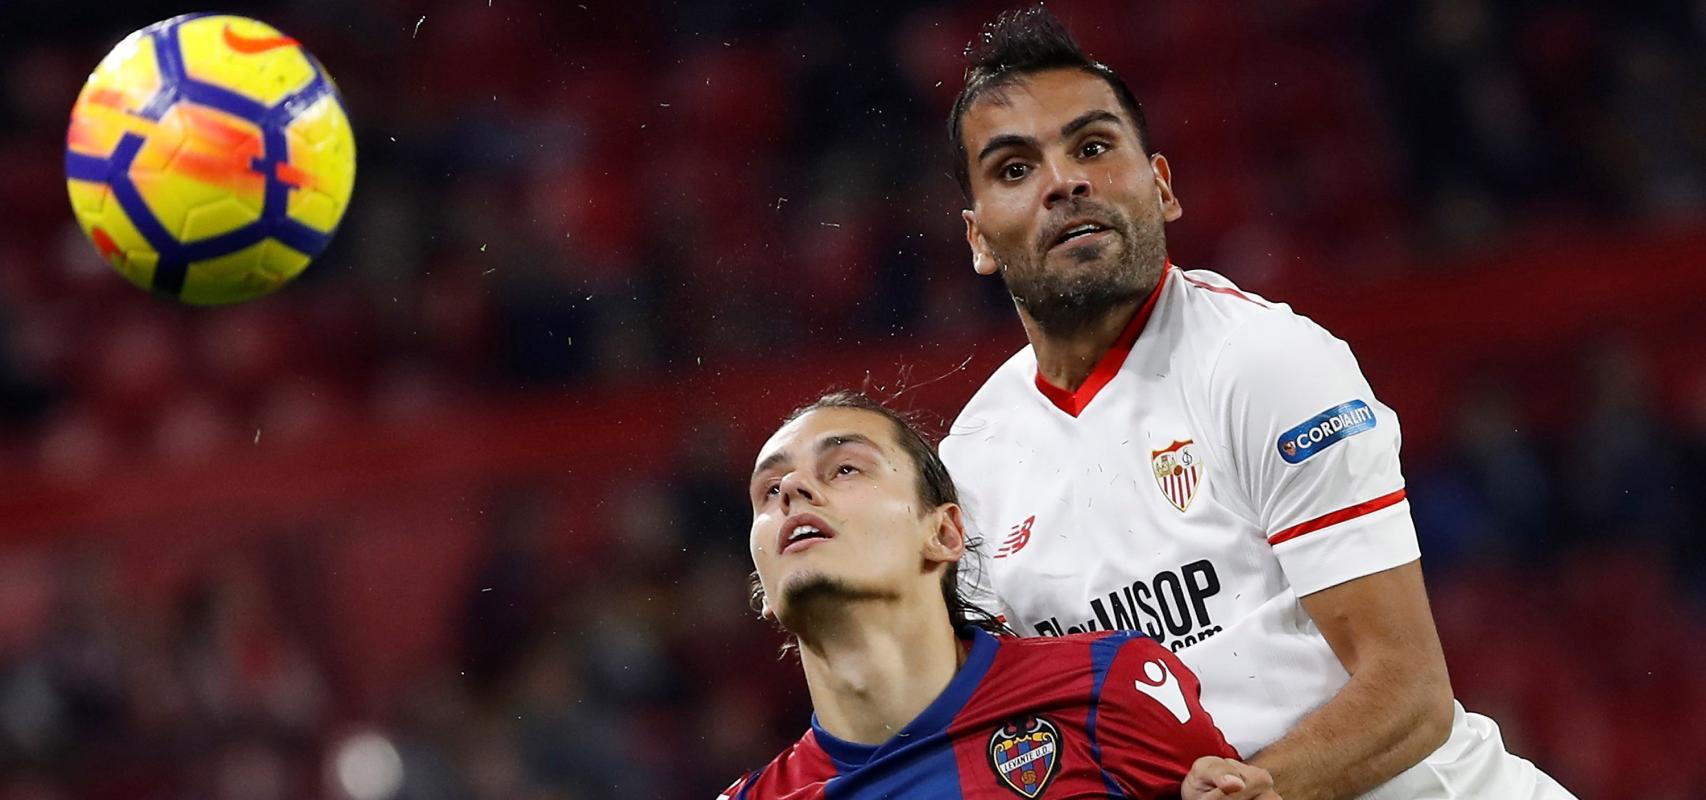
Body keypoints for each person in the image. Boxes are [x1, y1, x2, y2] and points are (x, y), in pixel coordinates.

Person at [938, 7, 1572, 800]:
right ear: (977, 238)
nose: (1064, 181)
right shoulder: (972, 466)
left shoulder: (1263, 363)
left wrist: (1253, 786)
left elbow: (1409, 697)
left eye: (1093, 147)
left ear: (1162, 187)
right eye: (1013, 169)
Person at [720, 391, 1273, 800]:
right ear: (764, 590)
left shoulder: (1110, 691)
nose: (793, 490)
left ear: (943, 534)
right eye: (769, 491)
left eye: (844, 468)